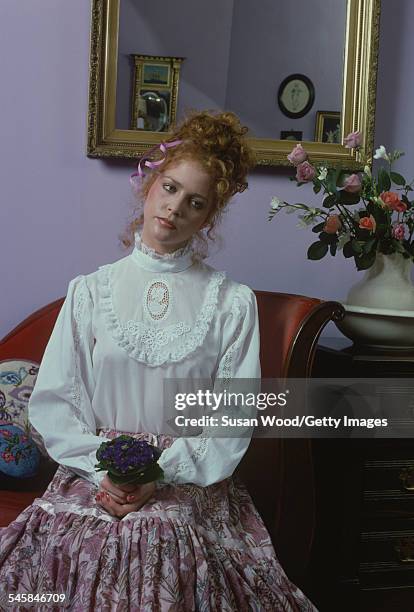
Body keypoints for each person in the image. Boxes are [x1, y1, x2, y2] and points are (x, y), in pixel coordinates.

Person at [0, 111, 317, 611]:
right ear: (149, 184)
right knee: (77, 546)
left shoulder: (232, 302)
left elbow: (231, 421)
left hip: (188, 475)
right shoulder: (88, 292)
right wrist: (104, 470)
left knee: (156, 539)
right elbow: (55, 402)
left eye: (195, 202)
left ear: (208, 216)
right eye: (169, 188)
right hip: (93, 472)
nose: (174, 209)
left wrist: (159, 474)